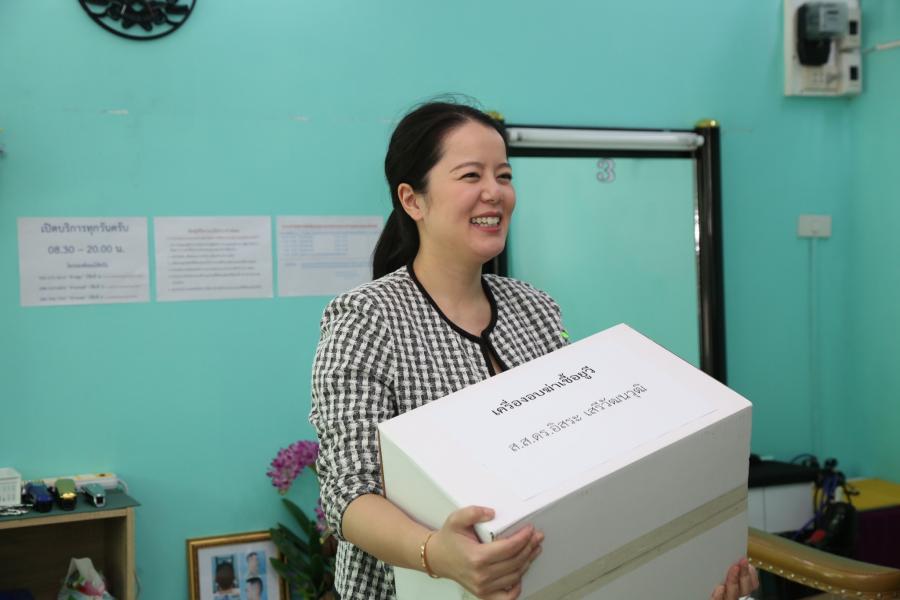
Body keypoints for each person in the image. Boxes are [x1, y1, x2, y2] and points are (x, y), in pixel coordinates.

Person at [310, 100, 758, 600]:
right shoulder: (366, 319)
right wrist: (437, 553)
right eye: (471, 175)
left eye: (503, 175)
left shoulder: (536, 310)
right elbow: (349, 496)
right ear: (413, 200)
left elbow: (583, 458)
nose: (494, 192)